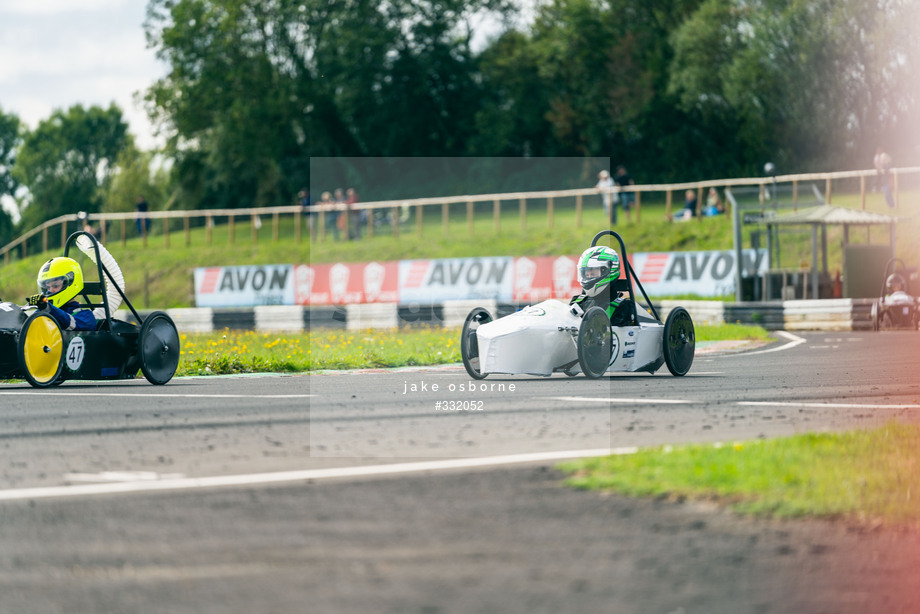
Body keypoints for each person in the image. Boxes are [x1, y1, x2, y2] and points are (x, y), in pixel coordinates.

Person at [569, 245, 633, 326]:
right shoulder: (577, 302)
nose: (588, 276)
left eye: (593, 273)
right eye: (586, 273)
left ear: (607, 271)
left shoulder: (623, 308)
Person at [34, 257, 97, 331]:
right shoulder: (46, 312)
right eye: (48, 287)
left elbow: (69, 323)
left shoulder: (86, 316)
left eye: (55, 285)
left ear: (69, 283)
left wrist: (48, 308)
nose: (50, 291)